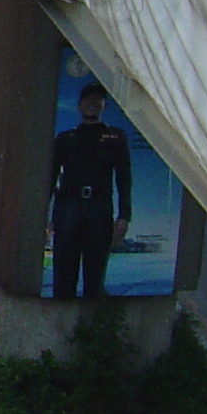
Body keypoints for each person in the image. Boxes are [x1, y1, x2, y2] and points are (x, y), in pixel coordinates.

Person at [48, 83, 133, 300]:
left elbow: (124, 178)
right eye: (88, 100)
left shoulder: (115, 137)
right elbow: (50, 177)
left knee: (95, 270)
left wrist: (124, 216)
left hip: (99, 206)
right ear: (79, 106)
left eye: (98, 100)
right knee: (64, 269)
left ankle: (91, 324)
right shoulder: (66, 139)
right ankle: (63, 322)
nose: (93, 104)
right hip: (69, 206)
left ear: (105, 106)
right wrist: (44, 216)